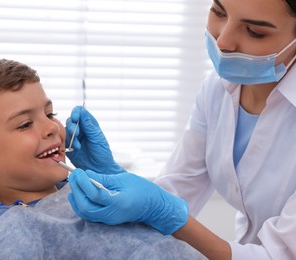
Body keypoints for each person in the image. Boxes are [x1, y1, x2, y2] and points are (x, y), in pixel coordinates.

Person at [64, 0, 296, 259]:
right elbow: (177, 190)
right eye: (218, 12)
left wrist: (167, 214)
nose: (223, 42)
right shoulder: (218, 88)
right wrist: (113, 178)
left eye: (254, 32)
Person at [0, 58, 204, 259]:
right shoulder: (9, 227)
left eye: (49, 114)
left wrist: (116, 177)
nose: (51, 128)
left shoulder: (93, 195)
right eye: (24, 124)